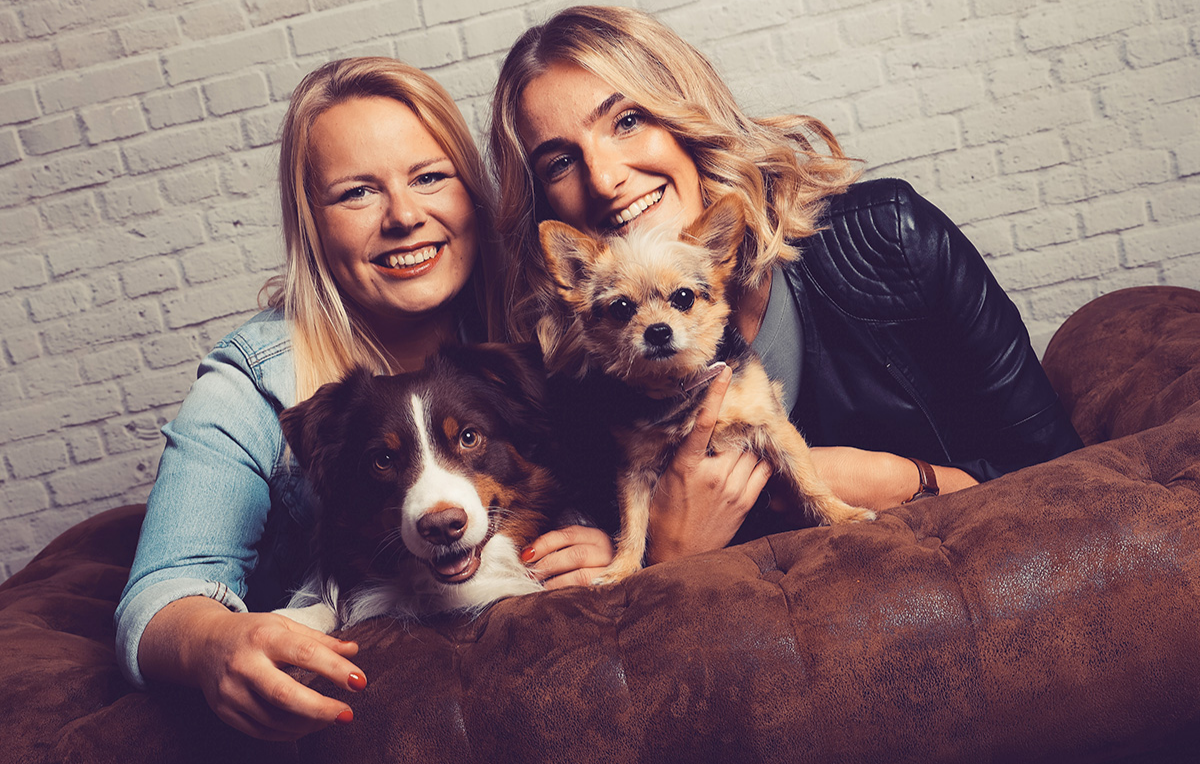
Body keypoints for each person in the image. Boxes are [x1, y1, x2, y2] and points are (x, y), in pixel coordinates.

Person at [115, 57, 614, 742]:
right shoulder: (253, 378)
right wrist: (212, 642)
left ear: (472, 193)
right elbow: (160, 594)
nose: (404, 216)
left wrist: (613, 544)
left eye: (429, 177)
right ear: (312, 225)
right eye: (357, 193)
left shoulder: (549, 319)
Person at [488, 6, 1084, 565]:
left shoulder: (889, 241)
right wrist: (659, 554)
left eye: (627, 120)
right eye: (559, 163)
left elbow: (1067, 482)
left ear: (688, 118)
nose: (604, 178)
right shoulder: (580, 384)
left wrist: (903, 479)